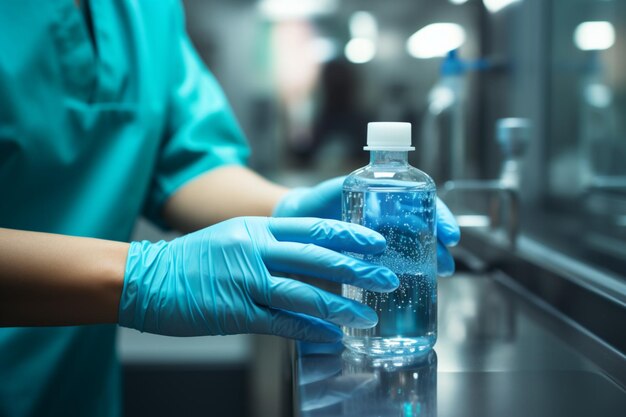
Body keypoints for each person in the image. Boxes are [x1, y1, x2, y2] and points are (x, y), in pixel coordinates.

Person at [0, 1, 460, 416]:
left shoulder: (146, 10)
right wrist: (140, 275)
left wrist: (288, 210)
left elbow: (185, 162)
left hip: (75, 388)